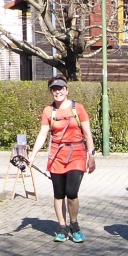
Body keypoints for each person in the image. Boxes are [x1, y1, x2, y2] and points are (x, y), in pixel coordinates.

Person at [30, 76, 96, 243]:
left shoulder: (78, 108)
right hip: (56, 156)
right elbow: (43, 134)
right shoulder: (48, 111)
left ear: (67, 90)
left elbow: (87, 133)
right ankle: (62, 227)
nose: (57, 92)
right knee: (59, 193)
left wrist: (92, 155)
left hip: (77, 154)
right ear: (51, 92)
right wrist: (33, 154)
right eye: (54, 89)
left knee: (71, 193)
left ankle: (74, 224)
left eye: (60, 88)